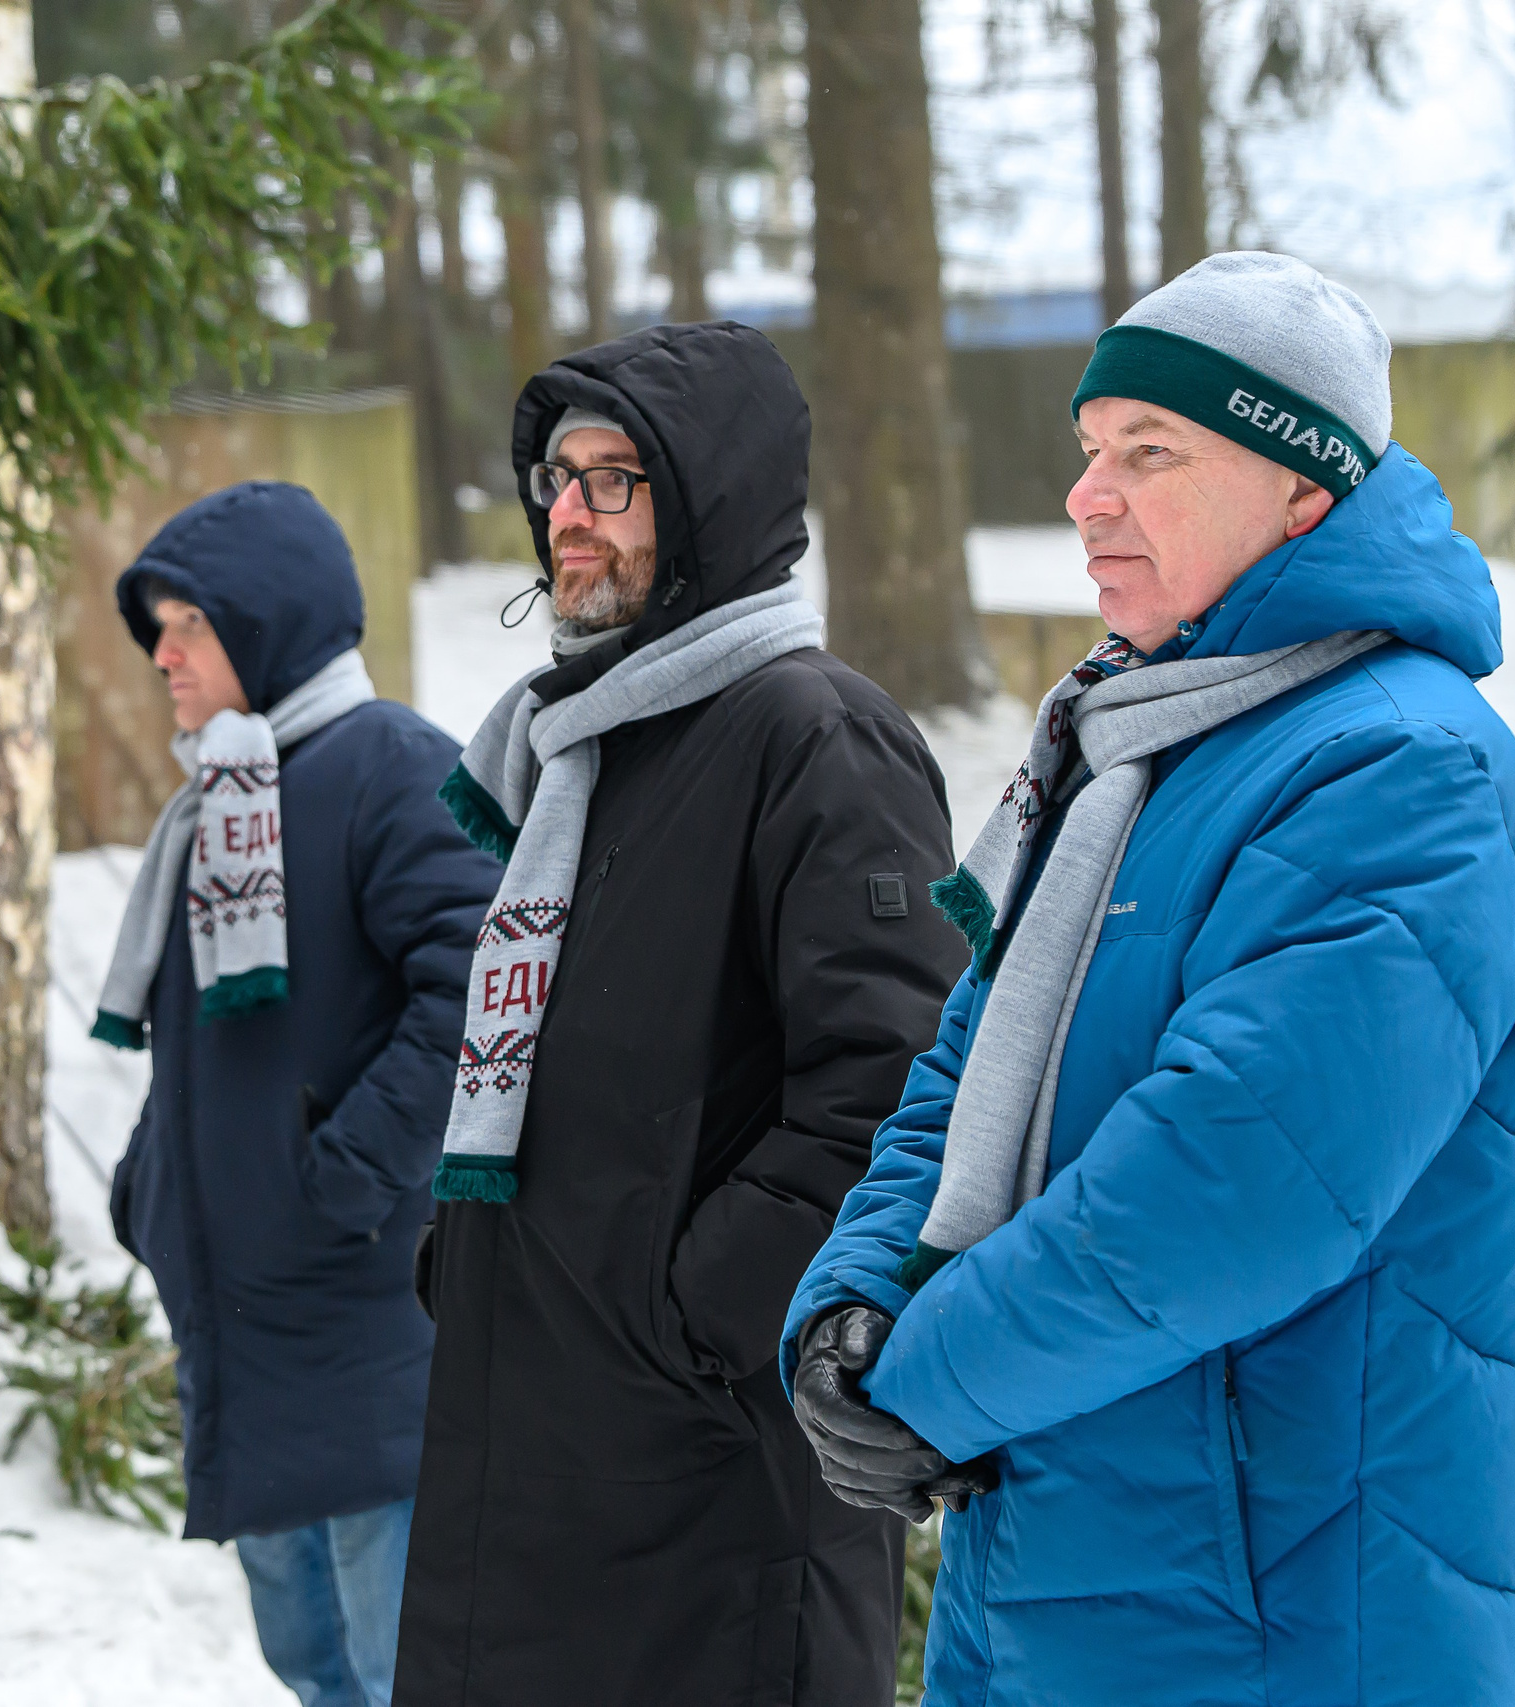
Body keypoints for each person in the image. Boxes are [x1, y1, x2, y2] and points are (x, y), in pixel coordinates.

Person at [785, 253, 1515, 1704]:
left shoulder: (1403, 769)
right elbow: (965, 1068)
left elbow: (1228, 1185)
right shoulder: (1139, 745)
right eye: (1093, 452)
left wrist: (926, 1376)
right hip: (1066, 1564)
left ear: (1304, 488)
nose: (1091, 495)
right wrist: (855, 1302)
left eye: (1152, 452)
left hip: (1282, 1615)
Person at [396, 322, 967, 1707]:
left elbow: (893, 1090)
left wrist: (695, 1317)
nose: (568, 517)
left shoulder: (813, 734)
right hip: (531, 1454)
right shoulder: (582, 746)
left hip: (708, 1490)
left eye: (615, 481)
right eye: (557, 478)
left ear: (712, 501)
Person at [95, 481, 500, 1707]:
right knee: (313, 1671)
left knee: (395, 1676)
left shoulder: (391, 770)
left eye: (190, 627)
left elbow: (485, 985)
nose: (163, 655)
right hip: (256, 1323)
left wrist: (354, 1171)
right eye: (157, 628)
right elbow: (217, 1052)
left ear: (269, 625)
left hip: (371, 1311)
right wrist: (152, 1188)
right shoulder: (225, 799)